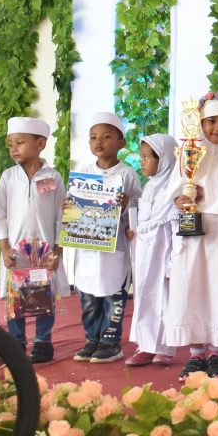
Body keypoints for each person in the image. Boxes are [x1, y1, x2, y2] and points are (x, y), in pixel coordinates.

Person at [164, 92, 218, 380]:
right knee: (191, 287)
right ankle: (195, 354)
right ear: (201, 122)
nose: (217, 128)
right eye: (211, 121)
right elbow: (174, 190)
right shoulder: (189, 153)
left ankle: (216, 354)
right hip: (191, 234)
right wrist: (181, 199)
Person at [68, 112, 141, 364]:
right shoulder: (83, 173)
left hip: (114, 248)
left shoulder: (127, 174)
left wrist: (128, 204)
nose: (99, 142)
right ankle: (92, 339)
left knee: (112, 295)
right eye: (93, 137)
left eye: (106, 136)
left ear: (121, 142)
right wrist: (70, 207)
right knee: (89, 297)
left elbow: (140, 208)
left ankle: (111, 342)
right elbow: (74, 209)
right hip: (87, 248)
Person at [0, 116, 68, 363]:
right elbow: (0, 215)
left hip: (45, 252)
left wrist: (57, 250)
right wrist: (5, 248)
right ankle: (16, 342)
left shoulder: (53, 177)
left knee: (44, 294)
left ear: (40, 144)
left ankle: (43, 342)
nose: (13, 149)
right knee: (15, 296)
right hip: (16, 251)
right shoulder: (8, 177)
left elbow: (61, 215)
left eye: (20, 143)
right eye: (10, 144)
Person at [126, 133, 177, 367]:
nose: (142, 162)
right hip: (144, 253)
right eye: (142, 157)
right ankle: (145, 345)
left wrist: (174, 260)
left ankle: (164, 348)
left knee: (163, 298)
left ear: (164, 159)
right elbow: (144, 222)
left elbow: (175, 226)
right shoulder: (148, 187)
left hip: (163, 253)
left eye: (148, 157)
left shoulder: (173, 189)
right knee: (144, 297)